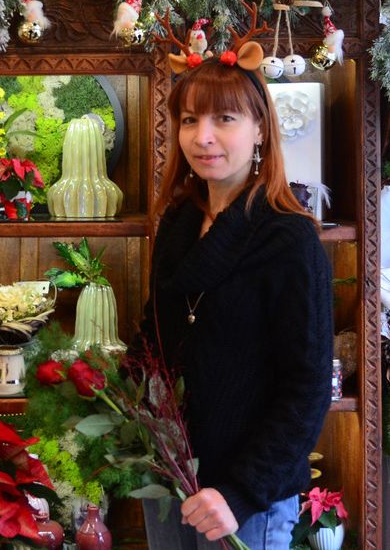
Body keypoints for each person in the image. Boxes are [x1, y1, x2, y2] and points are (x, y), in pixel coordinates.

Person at [134, 53, 333, 549]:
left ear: (260, 129)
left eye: (224, 118)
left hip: (245, 503)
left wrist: (239, 493)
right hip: (170, 479)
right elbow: (153, 335)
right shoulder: (178, 222)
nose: (202, 137)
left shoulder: (289, 239)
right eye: (189, 120)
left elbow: (306, 390)